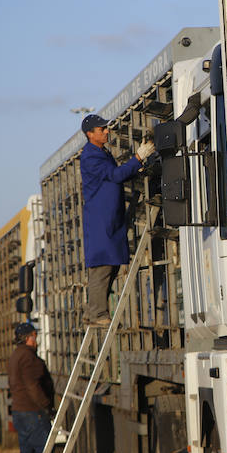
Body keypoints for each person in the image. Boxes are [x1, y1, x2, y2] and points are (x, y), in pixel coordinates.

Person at [79, 113, 155, 327]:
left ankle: (93, 312)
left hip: (107, 219)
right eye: (101, 129)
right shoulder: (91, 156)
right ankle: (97, 314)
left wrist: (137, 164)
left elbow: (116, 174)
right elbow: (115, 176)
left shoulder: (101, 153)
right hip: (101, 220)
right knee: (102, 267)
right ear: (90, 134)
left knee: (109, 266)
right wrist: (138, 157)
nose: (106, 131)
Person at [8, 322, 54, 453]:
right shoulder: (28, 358)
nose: (36, 339)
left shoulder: (15, 356)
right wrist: (46, 405)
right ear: (27, 338)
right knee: (45, 450)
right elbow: (32, 386)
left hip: (20, 411)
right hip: (32, 412)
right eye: (34, 335)